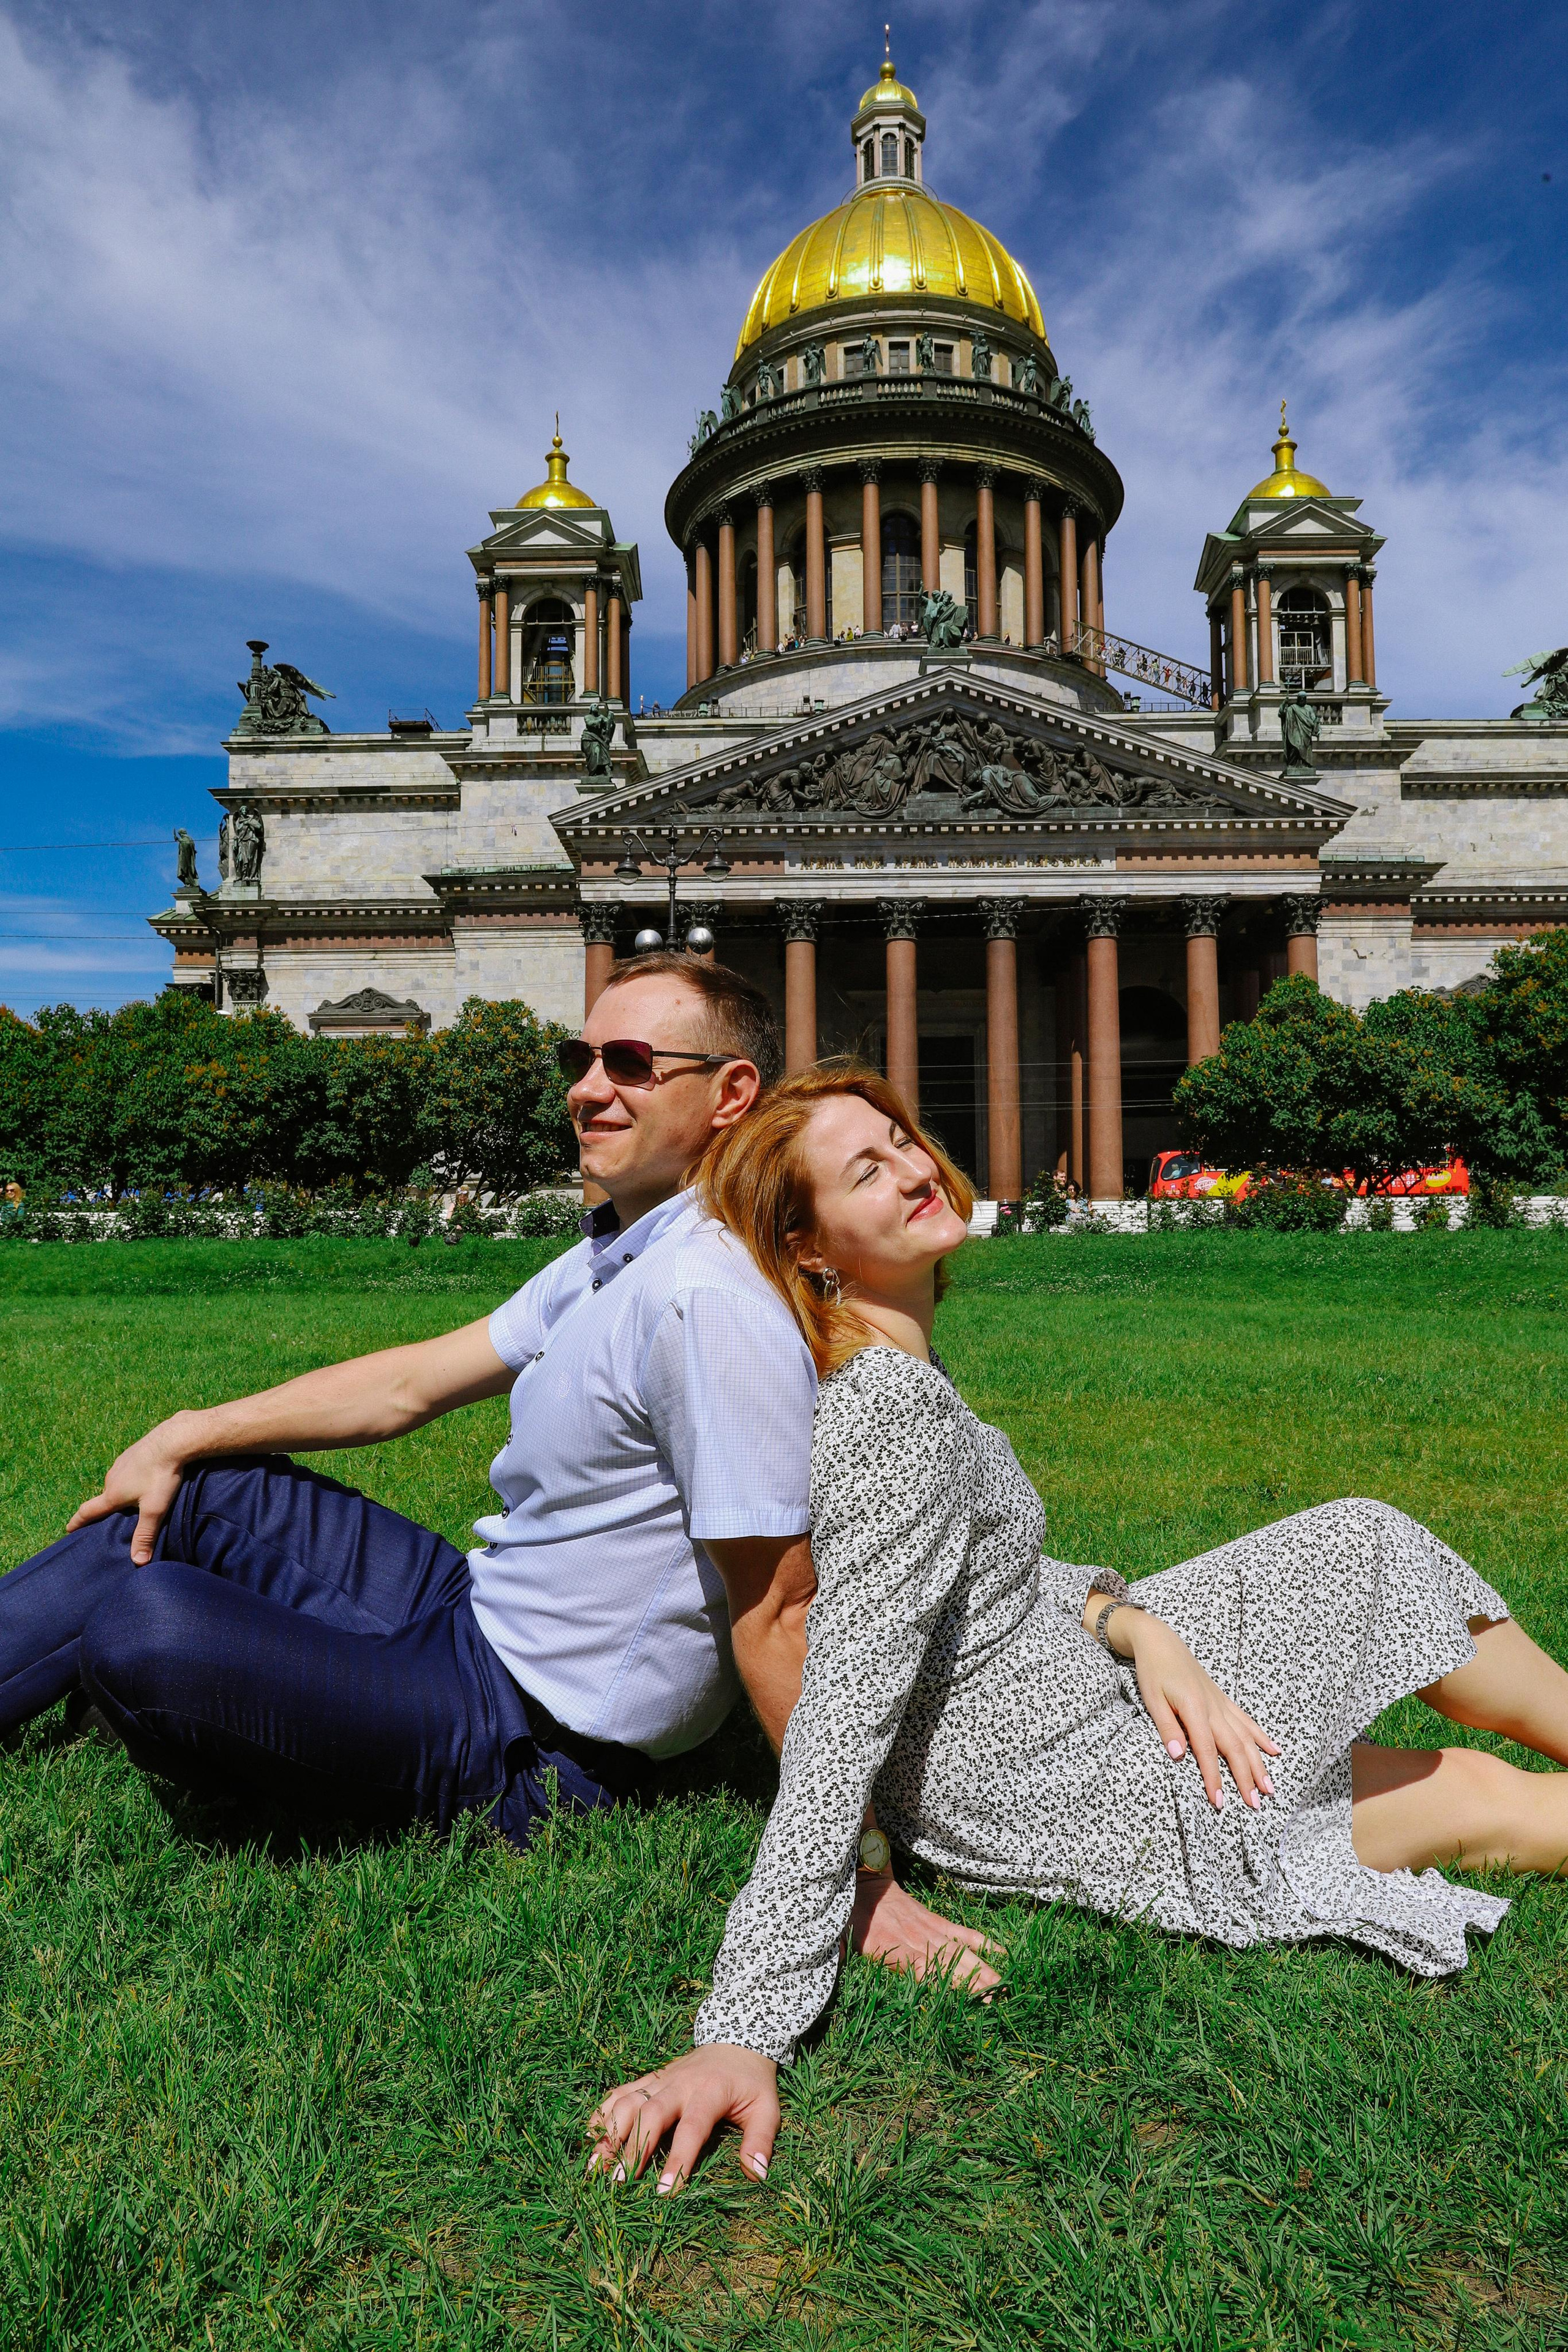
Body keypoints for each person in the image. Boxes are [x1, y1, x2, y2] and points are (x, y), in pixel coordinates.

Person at [588, 1062, 1568, 2195]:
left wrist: (1132, 1622)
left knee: (1362, 1541)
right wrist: (744, 2023)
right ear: (811, 1249)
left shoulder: (899, 1365)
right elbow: (841, 1711)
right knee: (1467, 1793)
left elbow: (989, 1577)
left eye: (900, 1138)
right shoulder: (887, 1413)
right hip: (1058, 1782)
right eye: (867, 1170)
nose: (912, 1166)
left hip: (1067, 1682)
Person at [0, 957, 978, 1978]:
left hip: (535, 1736)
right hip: (472, 1610)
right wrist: (188, 1427)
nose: (587, 1087)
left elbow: (779, 1604)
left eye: (631, 1064)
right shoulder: (627, 1250)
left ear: (731, 1093)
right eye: (582, 1057)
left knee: (141, 1623)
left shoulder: (707, 1298)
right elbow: (412, 1385)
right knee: (198, 1487)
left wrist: (862, 1874)